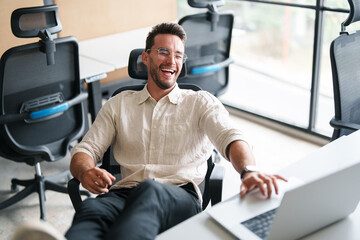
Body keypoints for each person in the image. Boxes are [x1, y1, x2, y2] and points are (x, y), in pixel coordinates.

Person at [13, 22, 286, 240]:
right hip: (122, 194)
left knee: (151, 191)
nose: (172, 60)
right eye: (163, 52)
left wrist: (248, 170)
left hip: (178, 196)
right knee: (93, 210)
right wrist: (85, 171)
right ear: (146, 58)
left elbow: (232, 138)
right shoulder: (119, 104)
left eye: (178, 54)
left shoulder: (200, 102)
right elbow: (84, 151)